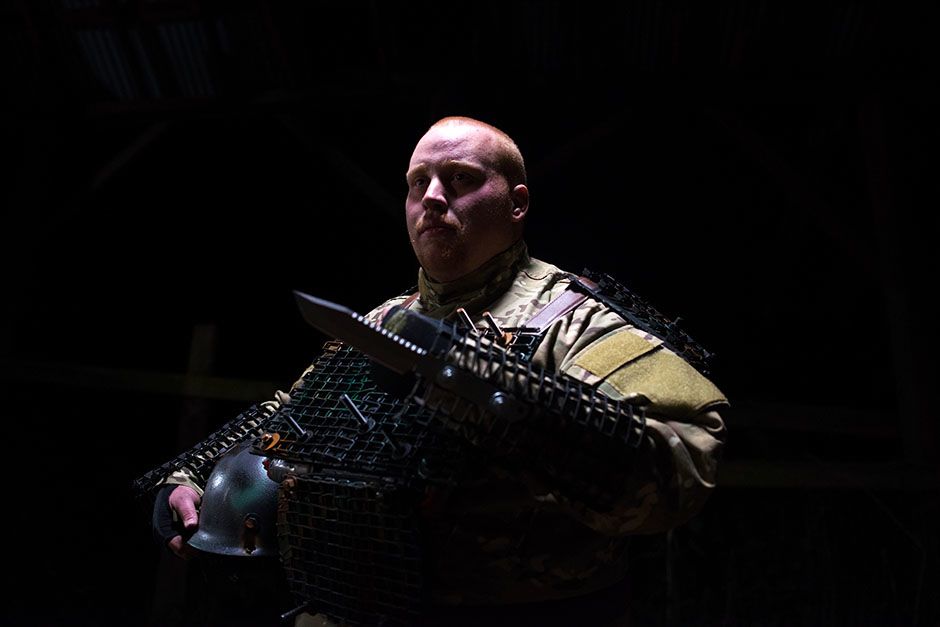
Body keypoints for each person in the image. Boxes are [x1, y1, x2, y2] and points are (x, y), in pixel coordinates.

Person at [145, 116, 728, 626]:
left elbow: (680, 467)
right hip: (352, 606)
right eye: (417, 182)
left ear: (517, 203)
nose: (431, 196)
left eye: (462, 179)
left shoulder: (574, 323)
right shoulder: (382, 321)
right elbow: (295, 415)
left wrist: (486, 393)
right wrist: (197, 475)